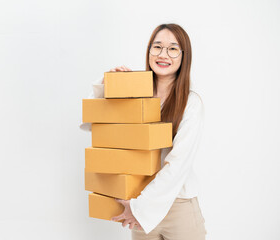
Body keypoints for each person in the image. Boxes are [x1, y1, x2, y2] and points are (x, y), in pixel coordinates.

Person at [80, 23, 207, 240]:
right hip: (137, 202)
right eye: (157, 47)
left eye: (173, 48)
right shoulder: (134, 93)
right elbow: (95, 126)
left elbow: (177, 165)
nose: (163, 54)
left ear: (184, 56)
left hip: (177, 206)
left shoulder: (191, 103)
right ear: (148, 51)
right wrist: (110, 86)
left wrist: (140, 207)